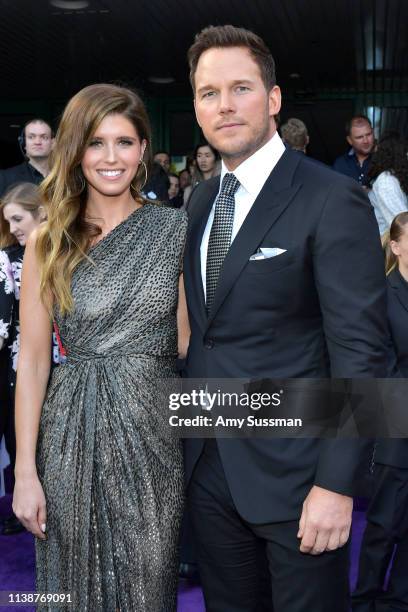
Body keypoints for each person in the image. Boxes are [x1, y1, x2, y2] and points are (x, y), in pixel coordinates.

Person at [183, 25, 388, 612]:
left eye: (240, 88)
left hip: (300, 477)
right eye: (207, 92)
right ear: (196, 109)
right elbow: (208, 335)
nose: (224, 105)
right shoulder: (199, 201)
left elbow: (363, 353)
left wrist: (336, 484)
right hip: (207, 462)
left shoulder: (331, 197)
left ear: (273, 100)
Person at [12, 83, 189, 611]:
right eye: (96, 143)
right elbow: (35, 361)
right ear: (75, 150)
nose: (111, 158)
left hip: (154, 432)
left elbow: (188, 342)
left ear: (143, 150)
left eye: (125, 142)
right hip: (71, 433)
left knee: (149, 583)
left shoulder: (176, 229)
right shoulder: (50, 238)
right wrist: (25, 471)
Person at [353, 211, 408, 612]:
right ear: (396, 246)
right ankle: (367, 597)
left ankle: (398, 599)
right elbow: (380, 363)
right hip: (396, 422)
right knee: (385, 522)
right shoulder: (384, 294)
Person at [0, 182, 47, 535]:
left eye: (18, 219)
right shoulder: (8, 259)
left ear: (41, 212)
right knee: (24, 441)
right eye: (9, 222)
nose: (13, 228)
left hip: (66, 363)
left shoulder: (62, 250)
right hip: (22, 364)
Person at [367, 132, 408, 236]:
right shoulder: (386, 182)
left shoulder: (396, 178)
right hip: (391, 244)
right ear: (400, 155)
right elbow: (401, 224)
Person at [0, 119, 54, 197]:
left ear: (53, 143)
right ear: (23, 143)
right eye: (31, 137)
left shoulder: (65, 177)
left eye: (44, 137)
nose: (37, 142)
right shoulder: (5, 178)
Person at [333, 115, 374, 186]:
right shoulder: (340, 164)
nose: (366, 141)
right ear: (349, 140)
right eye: (359, 137)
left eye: (369, 134)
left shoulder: (385, 160)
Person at [183, 142, 221, 206]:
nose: (203, 160)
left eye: (207, 156)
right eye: (199, 156)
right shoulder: (189, 190)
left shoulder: (222, 184)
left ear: (215, 158)